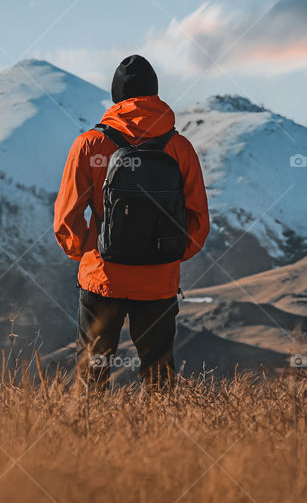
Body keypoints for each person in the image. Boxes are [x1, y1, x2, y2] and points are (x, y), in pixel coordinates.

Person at [53, 55, 210, 388]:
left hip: (102, 278)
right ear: (155, 95)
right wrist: (167, 257)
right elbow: (198, 221)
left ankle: (85, 437)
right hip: (158, 283)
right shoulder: (180, 148)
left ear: (116, 98)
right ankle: (162, 440)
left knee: (91, 378)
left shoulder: (89, 145)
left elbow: (66, 219)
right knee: (159, 377)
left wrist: (89, 253)